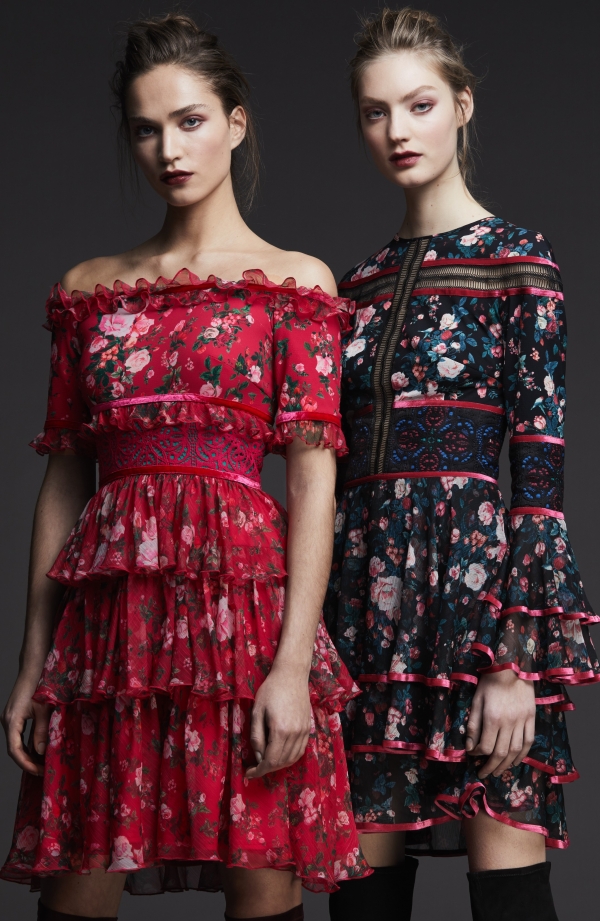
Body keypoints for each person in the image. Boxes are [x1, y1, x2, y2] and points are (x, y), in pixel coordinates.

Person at [0, 14, 369, 921]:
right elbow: (64, 481)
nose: (169, 149)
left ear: (235, 123)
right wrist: (33, 662)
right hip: (111, 634)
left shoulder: (296, 285)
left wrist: (293, 665)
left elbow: (313, 484)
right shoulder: (89, 291)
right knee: (78, 880)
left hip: (245, 622)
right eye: (147, 128)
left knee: (264, 880)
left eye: (191, 121)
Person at [324, 7, 599, 921]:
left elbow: (540, 484)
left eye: (420, 105)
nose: (397, 131)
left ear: (463, 105)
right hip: (366, 618)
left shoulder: (521, 263)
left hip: (477, 614)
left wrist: (515, 660)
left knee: (510, 891)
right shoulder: (355, 287)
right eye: (375, 112)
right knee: (361, 898)